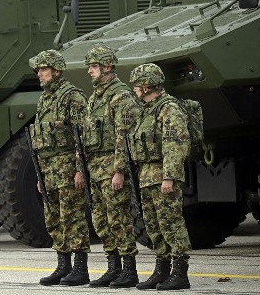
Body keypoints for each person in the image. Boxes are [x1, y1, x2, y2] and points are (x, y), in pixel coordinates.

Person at [28, 49, 90, 286]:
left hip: (66, 169)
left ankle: (80, 268)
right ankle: (63, 265)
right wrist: (41, 175)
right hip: (49, 170)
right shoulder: (45, 98)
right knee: (53, 218)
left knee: (72, 217)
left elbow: (82, 135)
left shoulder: (72, 97)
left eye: (44, 70)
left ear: (57, 71)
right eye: (39, 70)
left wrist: (79, 170)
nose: (40, 74)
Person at [128, 63, 192, 291]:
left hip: (162, 177)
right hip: (146, 177)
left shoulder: (169, 108)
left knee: (171, 224)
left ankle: (180, 272)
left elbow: (175, 144)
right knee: (154, 226)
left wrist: (169, 177)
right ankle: (162, 269)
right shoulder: (147, 110)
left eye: (137, 84)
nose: (134, 88)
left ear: (146, 86)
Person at [81, 46, 140, 288]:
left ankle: (129, 270)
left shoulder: (121, 96)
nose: (89, 71)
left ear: (107, 67)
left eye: (93, 66)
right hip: (95, 168)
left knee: (119, 218)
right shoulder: (95, 97)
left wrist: (119, 170)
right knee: (101, 221)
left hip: (111, 169)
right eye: (89, 66)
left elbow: (123, 136)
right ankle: (113, 267)